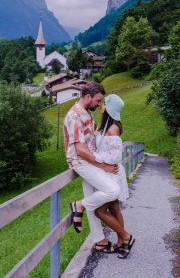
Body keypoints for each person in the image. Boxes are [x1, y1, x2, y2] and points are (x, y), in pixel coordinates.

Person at [63, 82, 133, 255]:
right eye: (97, 100)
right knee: (112, 190)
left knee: (95, 200)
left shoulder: (87, 113)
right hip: (81, 161)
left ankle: (100, 241)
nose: (99, 104)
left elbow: (96, 139)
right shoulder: (74, 116)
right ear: (87, 97)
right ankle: (79, 206)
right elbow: (80, 149)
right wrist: (102, 165)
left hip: (91, 160)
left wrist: (105, 110)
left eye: (102, 102)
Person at [94, 94, 135, 258]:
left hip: (112, 174)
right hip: (109, 173)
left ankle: (126, 237)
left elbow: (115, 156)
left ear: (109, 108)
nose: (100, 106)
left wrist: (95, 159)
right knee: (114, 207)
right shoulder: (107, 126)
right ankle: (121, 243)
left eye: (103, 104)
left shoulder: (113, 129)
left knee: (100, 211)